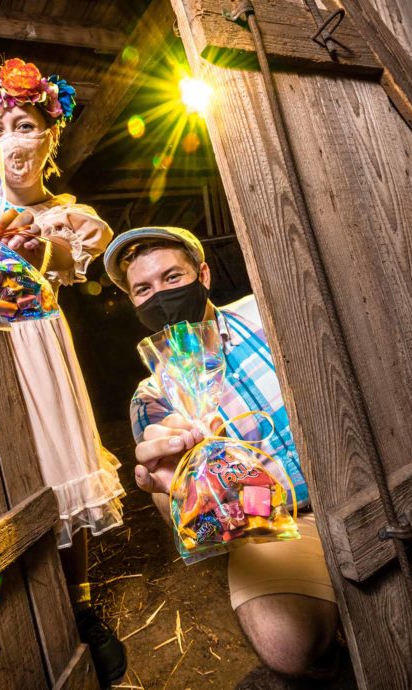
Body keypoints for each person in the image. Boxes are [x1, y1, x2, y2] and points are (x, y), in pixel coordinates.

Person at [0, 57, 127, 686]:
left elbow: (73, 265)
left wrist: (36, 246)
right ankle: (3, 613)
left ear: (51, 134)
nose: (9, 142)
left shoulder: (68, 215)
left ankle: (80, 606)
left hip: (38, 348)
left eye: (23, 124)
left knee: (62, 472)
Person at [103, 226, 342, 680]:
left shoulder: (265, 311)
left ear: (204, 275)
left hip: (346, 476)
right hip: (275, 526)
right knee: (287, 646)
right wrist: (173, 488)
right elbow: (170, 498)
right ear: (133, 303)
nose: (160, 295)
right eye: (143, 289)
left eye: (172, 278)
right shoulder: (151, 398)